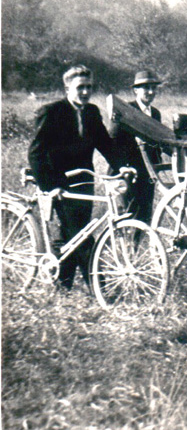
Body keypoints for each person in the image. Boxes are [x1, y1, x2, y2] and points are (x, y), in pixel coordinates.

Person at [28, 65, 127, 289]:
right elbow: (35, 153)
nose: (85, 92)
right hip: (58, 182)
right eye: (80, 87)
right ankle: (100, 289)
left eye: (89, 87)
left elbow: (105, 144)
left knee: (71, 234)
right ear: (67, 88)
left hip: (84, 180)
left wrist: (123, 167)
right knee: (82, 234)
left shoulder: (91, 112)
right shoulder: (51, 112)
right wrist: (50, 186)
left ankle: (62, 285)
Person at [112, 69, 164, 222]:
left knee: (145, 213)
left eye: (153, 88)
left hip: (148, 171)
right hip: (129, 171)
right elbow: (113, 140)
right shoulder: (125, 110)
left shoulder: (155, 113)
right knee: (127, 213)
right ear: (135, 90)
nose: (150, 92)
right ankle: (125, 245)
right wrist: (122, 167)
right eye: (145, 88)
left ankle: (138, 245)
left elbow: (157, 142)